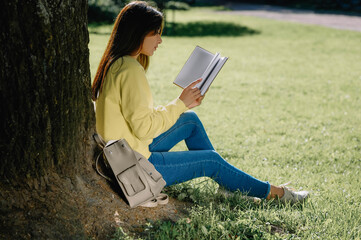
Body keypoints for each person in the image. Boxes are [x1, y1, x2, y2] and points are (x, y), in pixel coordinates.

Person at [91, 1, 309, 204]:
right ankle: (277, 193)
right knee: (211, 161)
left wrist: (182, 106)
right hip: (135, 169)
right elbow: (143, 127)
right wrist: (179, 103)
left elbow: (136, 118)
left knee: (189, 120)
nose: (160, 40)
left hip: (123, 156)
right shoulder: (130, 70)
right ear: (138, 32)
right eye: (155, 33)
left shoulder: (117, 63)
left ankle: (228, 186)